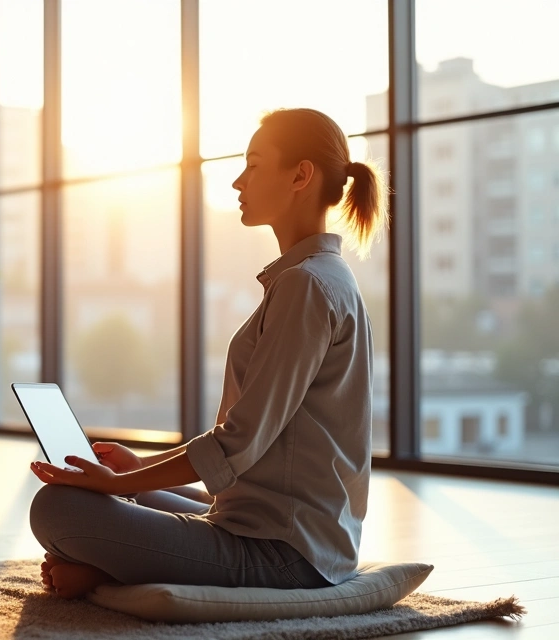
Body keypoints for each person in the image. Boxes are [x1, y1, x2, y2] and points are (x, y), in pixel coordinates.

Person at [28, 108, 387, 599]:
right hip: (274, 525)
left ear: (301, 175)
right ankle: (115, 559)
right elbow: (247, 449)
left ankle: (110, 572)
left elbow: (237, 442)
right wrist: (134, 472)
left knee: (56, 508)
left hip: (285, 553)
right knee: (137, 489)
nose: (238, 181)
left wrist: (110, 488)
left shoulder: (307, 286)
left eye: (255, 165)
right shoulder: (315, 278)